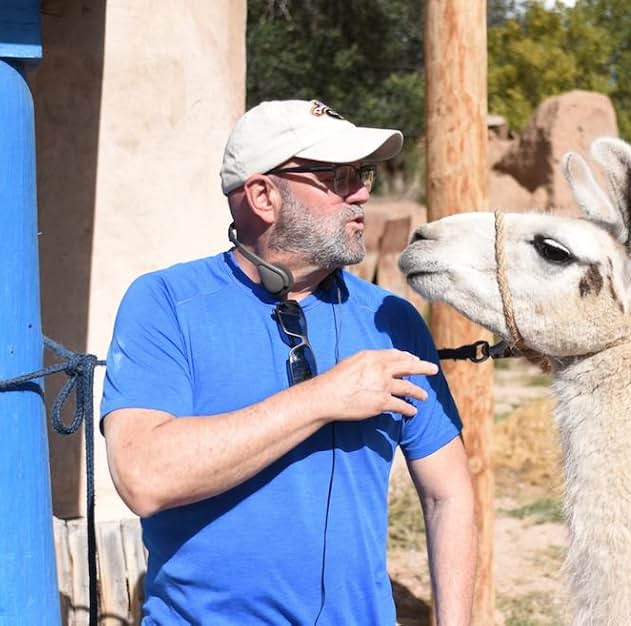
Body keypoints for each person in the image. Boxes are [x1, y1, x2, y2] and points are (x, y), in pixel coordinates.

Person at [101, 99, 476, 625]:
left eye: (362, 173)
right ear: (262, 196)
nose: (362, 192)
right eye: (338, 176)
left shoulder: (391, 318)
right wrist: (325, 398)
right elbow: (144, 476)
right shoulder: (164, 302)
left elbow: (448, 495)